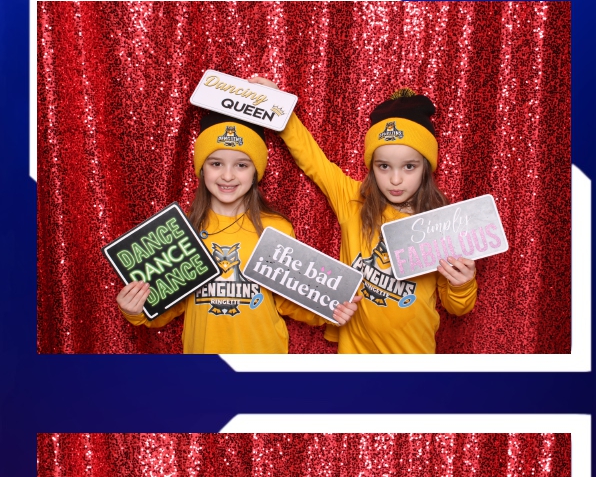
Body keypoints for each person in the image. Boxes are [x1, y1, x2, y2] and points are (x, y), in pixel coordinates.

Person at [265, 82, 478, 354]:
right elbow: (311, 158)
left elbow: (457, 308)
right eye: (384, 166)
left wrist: (462, 284)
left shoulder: (441, 223)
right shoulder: (354, 201)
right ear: (372, 166)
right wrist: (277, 104)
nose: (396, 179)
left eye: (409, 166)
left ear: (426, 167)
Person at [114, 111, 317, 354]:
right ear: (202, 168)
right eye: (216, 163)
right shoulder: (183, 229)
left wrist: (329, 310)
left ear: (255, 171)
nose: (227, 176)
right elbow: (167, 307)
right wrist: (135, 310)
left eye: (241, 165)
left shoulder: (276, 228)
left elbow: (288, 300)